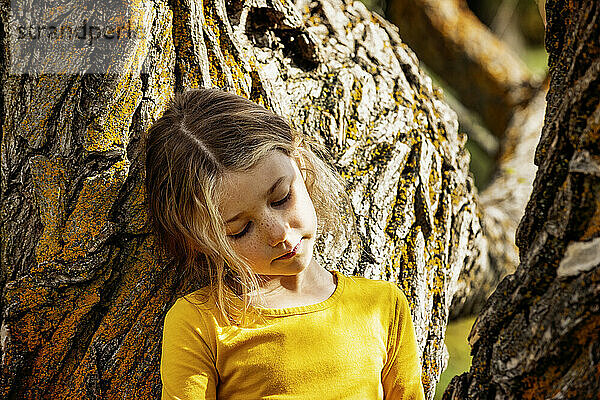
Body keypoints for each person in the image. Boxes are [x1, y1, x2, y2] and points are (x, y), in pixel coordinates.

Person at [144, 88, 426, 400]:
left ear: (301, 166)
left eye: (281, 198)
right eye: (240, 229)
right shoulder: (201, 323)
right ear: (201, 241)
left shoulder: (382, 305)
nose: (278, 232)